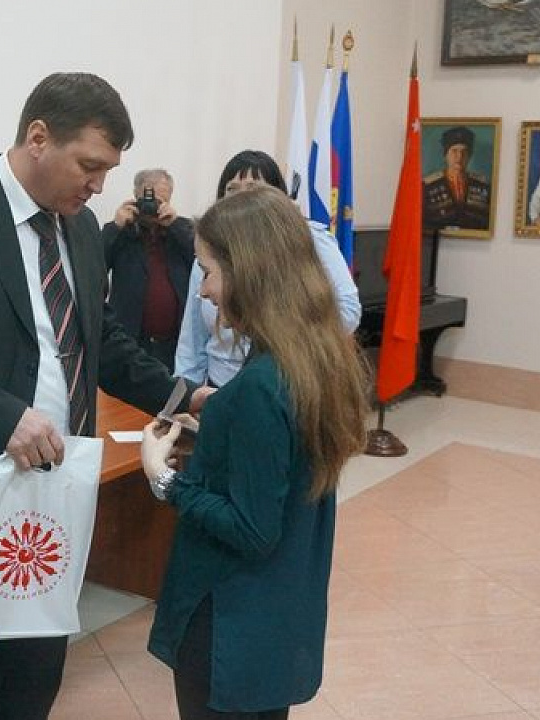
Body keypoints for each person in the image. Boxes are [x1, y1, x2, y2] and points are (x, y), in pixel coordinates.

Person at [0, 72, 208, 720]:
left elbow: (102, 339)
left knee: (33, 677)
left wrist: (184, 396)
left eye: (107, 172)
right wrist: (1, 414)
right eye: (89, 166)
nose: (98, 185)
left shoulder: (83, 228)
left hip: (52, 495)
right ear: (39, 138)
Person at [140, 185, 368, 720]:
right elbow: (282, 468)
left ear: (248, 272)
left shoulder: (261, 386)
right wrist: (219, 433)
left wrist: (164, 479)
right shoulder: (317, 359)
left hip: (229, 625)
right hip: (277, 617)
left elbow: (251, 527)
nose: (204, 291)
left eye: (208, 272)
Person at [174, 150, 361, 388]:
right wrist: (186, 394)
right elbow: (192, 339)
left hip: (285, 378)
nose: (241, 198)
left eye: (253, 189)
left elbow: (347, 310)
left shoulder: (308, 238)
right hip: (220, 383)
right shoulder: (209, 252)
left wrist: (290, 343)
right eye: (232, 189)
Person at [100, 168, 196, 371]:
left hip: (175, 344)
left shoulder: (182, 230)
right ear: (135, 197)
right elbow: (94, 266)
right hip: (131, 341)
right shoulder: (122, 231)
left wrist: (175, 225)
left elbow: (199, 261)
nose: (152, 207)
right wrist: (116, 227)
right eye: (147, 200)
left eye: (160, 201)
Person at [423, 126, 492, 231]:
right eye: (454, 151)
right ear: (445, 155)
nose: (459, 157)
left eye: (464, 152)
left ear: (469, 156)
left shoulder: (483, 186)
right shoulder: (428, 186)